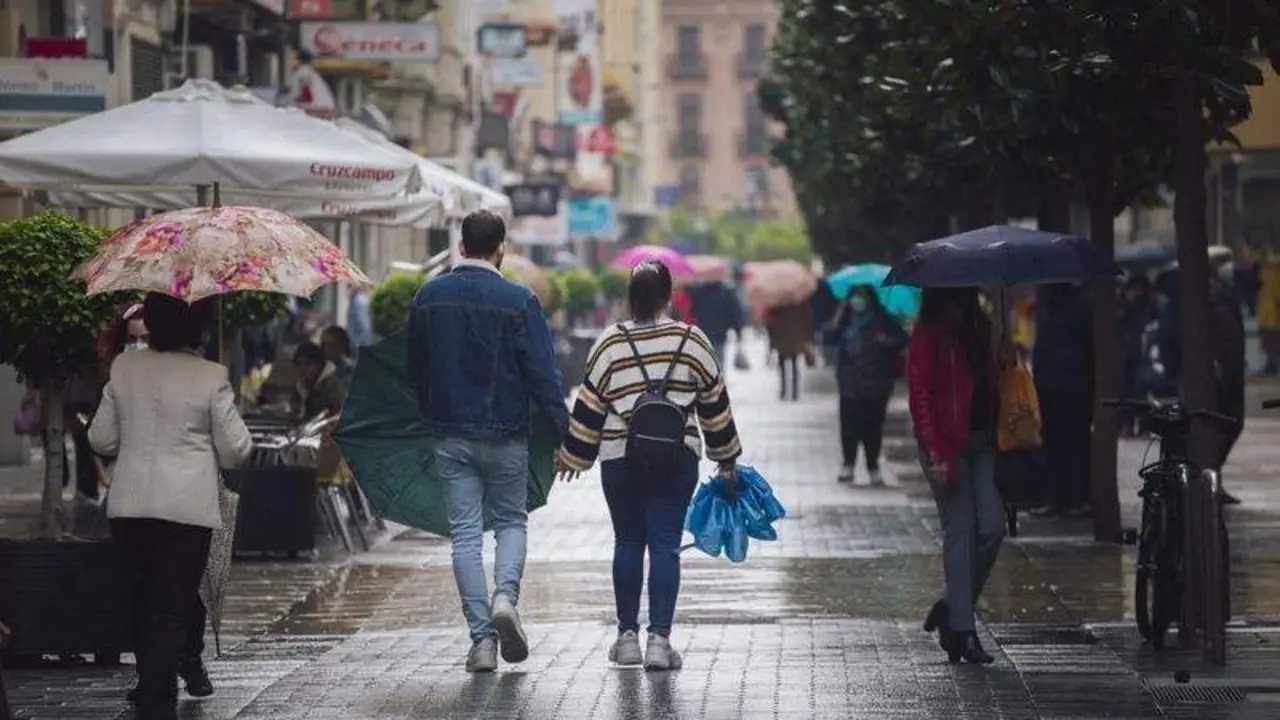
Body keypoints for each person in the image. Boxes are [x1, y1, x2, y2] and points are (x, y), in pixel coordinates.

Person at [556, 260, 743, 671]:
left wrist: (575, 455)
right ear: (668, 295)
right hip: (676, 458)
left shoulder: (610, 342)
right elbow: (714, 404)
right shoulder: (692, 340)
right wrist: (726, 458)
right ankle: (660, 641)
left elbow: (589, 405)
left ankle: (627, 639)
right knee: (664, 544)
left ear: (629, 297)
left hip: (620, 457)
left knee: (627, 541)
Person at [406, 210, 569, 673]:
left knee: (464, 535)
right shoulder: (520, 300)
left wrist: (430, 415)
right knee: (511, 521)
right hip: (506, 434)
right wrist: (568, 435)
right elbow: (543, 376)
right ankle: (505, 598)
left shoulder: (428, 297)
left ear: (461, 247)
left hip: (450, 434)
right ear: (502, 249)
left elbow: (415, 368)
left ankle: (481, 641)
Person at [88, 293, 252, 720]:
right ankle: (155, 697)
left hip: (129, 508)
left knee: (141, 602)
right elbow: (235, 449)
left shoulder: (124, 369)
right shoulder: (209, 376)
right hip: (185, 510)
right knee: (172, 607)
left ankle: (152, 686)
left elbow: (101, 438)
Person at [908, 287, 1002, 665]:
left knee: (992, 527)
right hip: (946, 445)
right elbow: (920, 396)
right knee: (961, 530)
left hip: (983, 442)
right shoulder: (929, 333)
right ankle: (963, 631)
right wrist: (936, 451)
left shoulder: (982, 327)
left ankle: (951, 607)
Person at [830, 285, 908, 485]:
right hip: (849, 383)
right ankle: (848, 464)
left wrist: (885, 340)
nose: (857, 300)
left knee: (873, 427)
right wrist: (837, 317)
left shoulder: (884, 319)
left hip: (877, 384)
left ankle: (873, 466)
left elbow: (901, 340)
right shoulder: (845, 319)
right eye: (855, 296)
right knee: (848, 426)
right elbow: (829, 337)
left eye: (862, 296)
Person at [1031, 282, 1094, 518]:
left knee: (1075, 445)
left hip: (1074, 386)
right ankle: (1056, 497)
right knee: (1053, 444)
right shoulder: (1046, 306)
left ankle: (1077, 498)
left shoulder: (1081, 305)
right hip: (1050, 385)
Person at [765, 301, 815, 401]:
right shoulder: (799, 301)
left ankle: (783, 390)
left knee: (782, 365)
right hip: (794, 337)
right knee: (794, 364)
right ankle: (794, 391)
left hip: (782, 336)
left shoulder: (778, 300)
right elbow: (807, 318)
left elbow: (771, 319)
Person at [689, 280, 745, 368]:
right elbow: (735, 314)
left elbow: (693, 311)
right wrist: (738, 331)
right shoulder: (725, 292)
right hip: (718, 335)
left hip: (704, 334)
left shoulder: (699, 292)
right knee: (718, 364)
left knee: (705, 364)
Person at [293, 341, 347, 420]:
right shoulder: (303, 385)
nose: (303, 369)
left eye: (308, 364)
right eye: (299, 364)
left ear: (319, 365)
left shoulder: (331, 388)